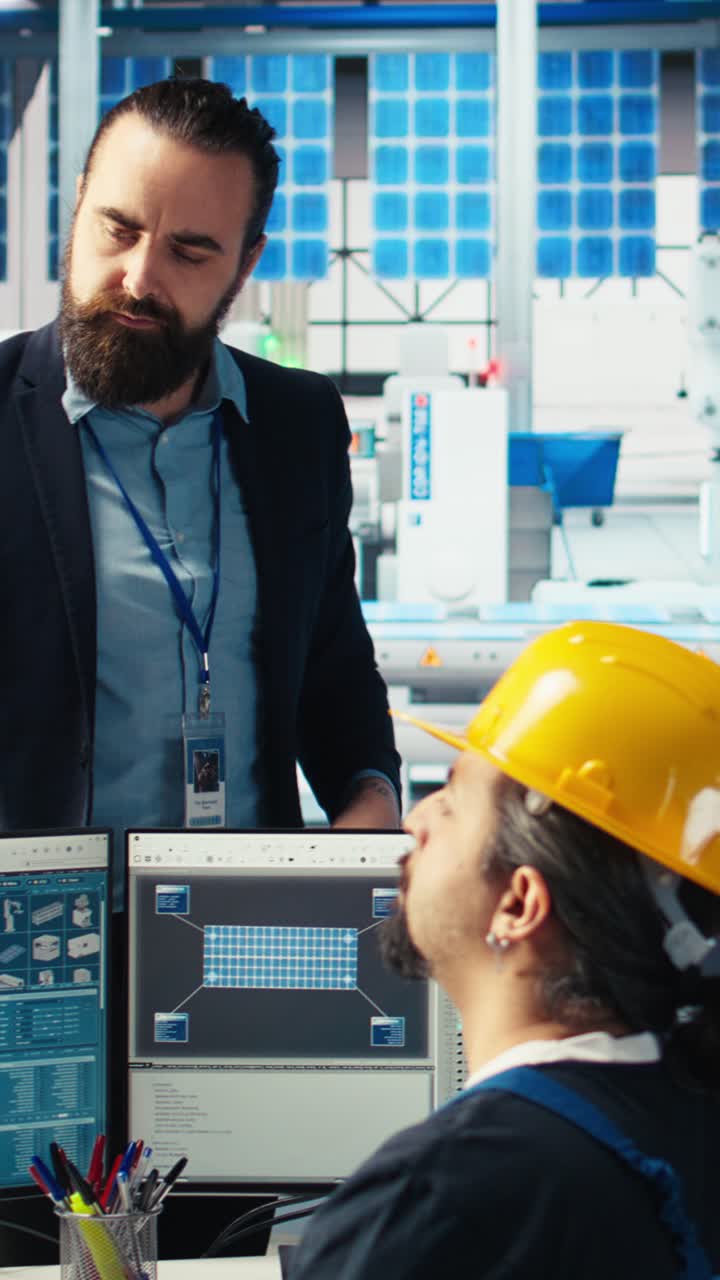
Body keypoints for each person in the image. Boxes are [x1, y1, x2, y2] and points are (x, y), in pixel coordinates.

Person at [0, 78, 400, 886]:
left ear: (246, 263)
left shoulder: (299, 424)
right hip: (39, 948)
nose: (140, 277)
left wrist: (371, 807)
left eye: (189, 251)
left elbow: (332, 665)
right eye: (118, 229)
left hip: (255, 930)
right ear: (79, 207)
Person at [291, 621, 720, 1279]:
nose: (416, 820)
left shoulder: (435, 1200)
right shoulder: (690, 1121)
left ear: (520, 904)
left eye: (453, 801)